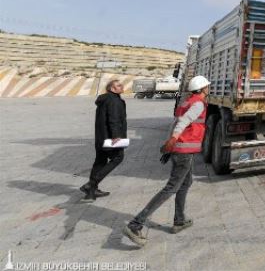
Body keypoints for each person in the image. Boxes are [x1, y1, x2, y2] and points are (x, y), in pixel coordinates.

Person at [123, 75, 209, 247]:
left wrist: (171, 141)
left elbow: (175, 122)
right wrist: (172, 140)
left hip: (183, 150)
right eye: (207, 87)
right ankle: (135, 224)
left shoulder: (187, 101)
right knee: (172, 187)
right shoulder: (198, 103)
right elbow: (183, 122)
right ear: (202, 89)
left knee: (186, 182)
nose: (209, 89)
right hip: (183, 150)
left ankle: (179, 220)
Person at [80, 79, 127, 202]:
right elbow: (114, 119)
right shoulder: (114, 101)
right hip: (111, 138)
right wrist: (116, 135)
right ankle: (91, 184)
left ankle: (90, 193)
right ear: (112, 89)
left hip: (101, 137)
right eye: (118, 85)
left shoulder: (105, 100)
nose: (122, 86)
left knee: (100, 162)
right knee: (118, 158)